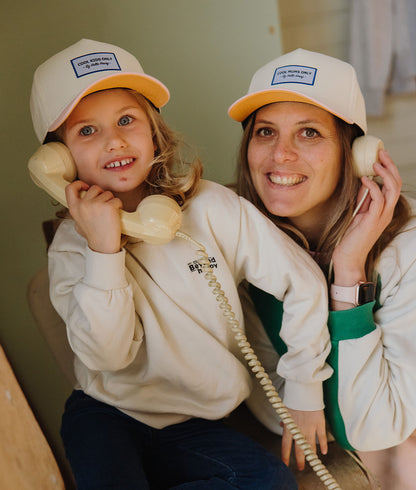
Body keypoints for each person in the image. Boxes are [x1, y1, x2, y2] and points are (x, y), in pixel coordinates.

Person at [28, 39, 335, 490]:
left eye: (127, 120)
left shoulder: (211, 208)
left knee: (271, 481)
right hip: (107, 416)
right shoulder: (73, 250)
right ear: (56, 160)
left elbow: (302, 283)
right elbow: (107, 356)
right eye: (86, 131)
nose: (114, 140)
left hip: (196, 423)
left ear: (154, 132)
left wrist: (306, 391)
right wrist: (104, 251)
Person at [228, 48, 416, 489]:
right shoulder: (236, 246)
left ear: (357, 155)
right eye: (265, 132)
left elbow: (370, 428)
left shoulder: (406, 251)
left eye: (309, 132)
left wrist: (349, 272)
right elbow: (282, 415)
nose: (281, 154)